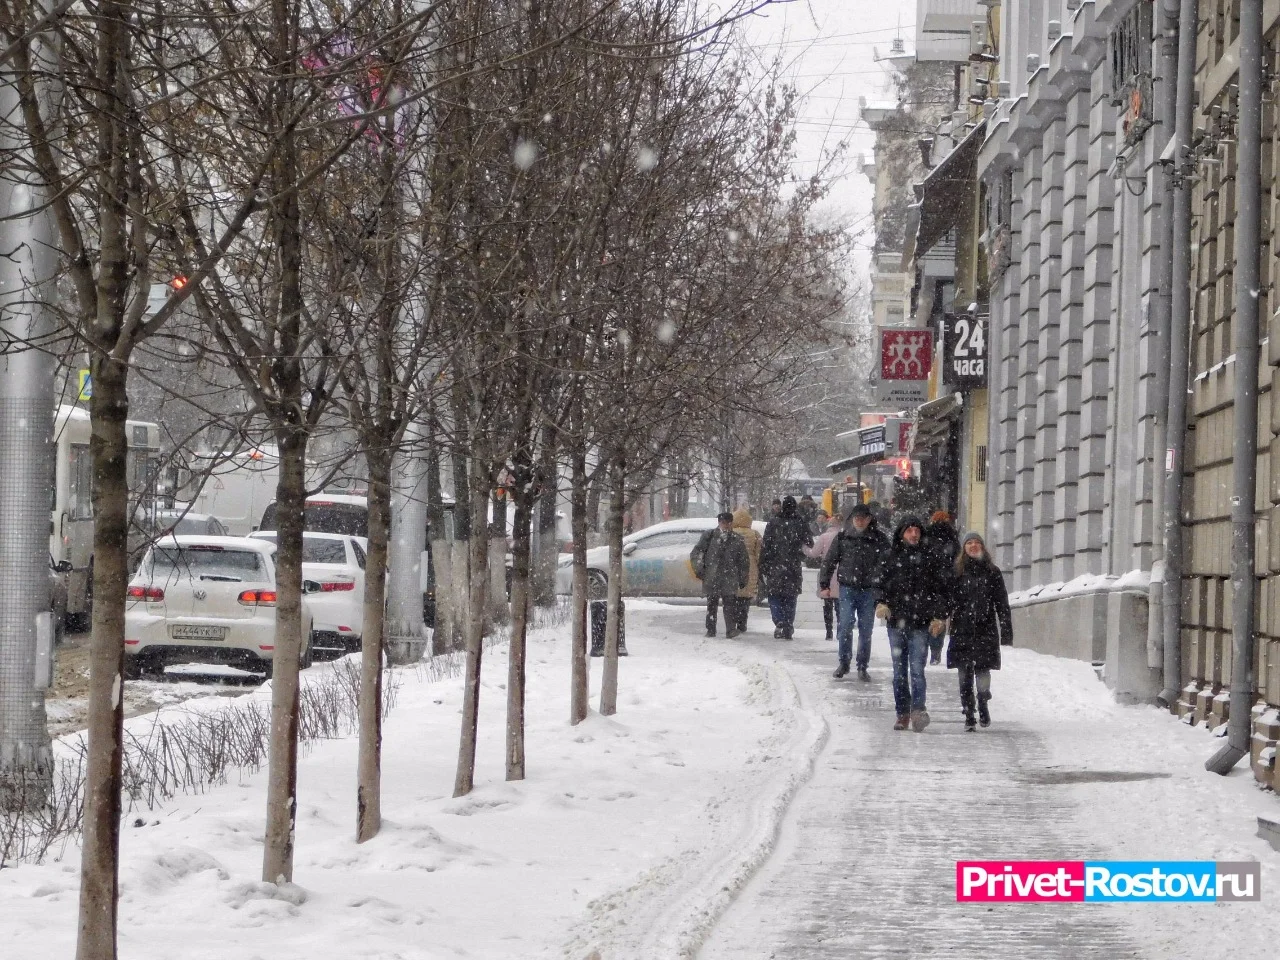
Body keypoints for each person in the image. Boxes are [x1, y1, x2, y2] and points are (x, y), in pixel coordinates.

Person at [876, 515, 948, 732]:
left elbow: (940, 590)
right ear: (901, 533)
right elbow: (879, 583)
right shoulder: (890, 557)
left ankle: (918, 710)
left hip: (920, 623)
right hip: (896, 622)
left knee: (917, 669)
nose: (914, 534)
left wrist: (938, 616)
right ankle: (902, 713)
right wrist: (881, 602)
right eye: (909, 530)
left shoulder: (930, 558)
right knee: (899, 673)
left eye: (916, 530)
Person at [942, 532, 1013, 731]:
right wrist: (939, 618)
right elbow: (948, 600)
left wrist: (1006, 628)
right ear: (964, 548)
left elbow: (1002, 602)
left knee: (982, 672)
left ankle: (982, 703)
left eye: (977, 543)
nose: (973, 546)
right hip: (962, 629)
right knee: (964, 675)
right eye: (969, 543)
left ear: (983, 547)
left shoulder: (992, 572)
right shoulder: (957, 572)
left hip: (985, 629)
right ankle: (968, 713)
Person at [820, 503, 891, 680]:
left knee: (866, 629)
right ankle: (844, 662)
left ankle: (862, 665)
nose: (859, 521)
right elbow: (829, 561)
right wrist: (824, 584)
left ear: (869, 519)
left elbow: (887, 564)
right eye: (857, 518)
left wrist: (884, 587)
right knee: (845, 626)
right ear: (852, 519)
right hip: (848, 588)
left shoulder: (878, 539)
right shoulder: (844, 538)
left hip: (869, 590)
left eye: (863, 518)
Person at [691, 512, 750, 638]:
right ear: (719, 522)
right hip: (712, 576)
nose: (726, 525)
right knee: (712, 604)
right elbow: (697, 553)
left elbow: (743, 560)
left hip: (729, 576)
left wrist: (743, 577)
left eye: (728, 523)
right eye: (723, 522)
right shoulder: (710, 535)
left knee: (730, 604)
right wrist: (700, 569)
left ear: (731, 523)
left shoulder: (737, 539)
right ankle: (711, 629)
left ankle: (730, 629)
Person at [761, 496, 813, 639]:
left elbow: (766, 544)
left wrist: (764, 564)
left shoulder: (773, 522)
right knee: (791, 597)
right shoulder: (800, 522)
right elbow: (809, 542)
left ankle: (779, 620)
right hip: (793, 566)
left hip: (775, 565)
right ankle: (788, 623)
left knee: (774, 595)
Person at [921, 510, 960, 665]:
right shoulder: (952, 538)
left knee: (926, 617)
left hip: (928, 583)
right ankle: (936, 652)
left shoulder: (926, 536)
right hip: (945, 584)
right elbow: (957, 561)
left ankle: (925, 647)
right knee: (940, 617)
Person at [804, 513, 843, 640]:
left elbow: (813, 553)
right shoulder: (844, 537)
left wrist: (803, 548)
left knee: (827, 604)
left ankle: (829, 631)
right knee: (839, 605)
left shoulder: (824, 537)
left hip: (827, 572)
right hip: (841, 572)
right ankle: (840, 630)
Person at [731, 507, 763, 632]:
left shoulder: (731, 532)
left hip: (734, 565)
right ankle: (742, 622)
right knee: (746, 596)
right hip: (750, 565)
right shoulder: (754, 534)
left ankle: (733, 620)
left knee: (733, 595)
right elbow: (758, 553)